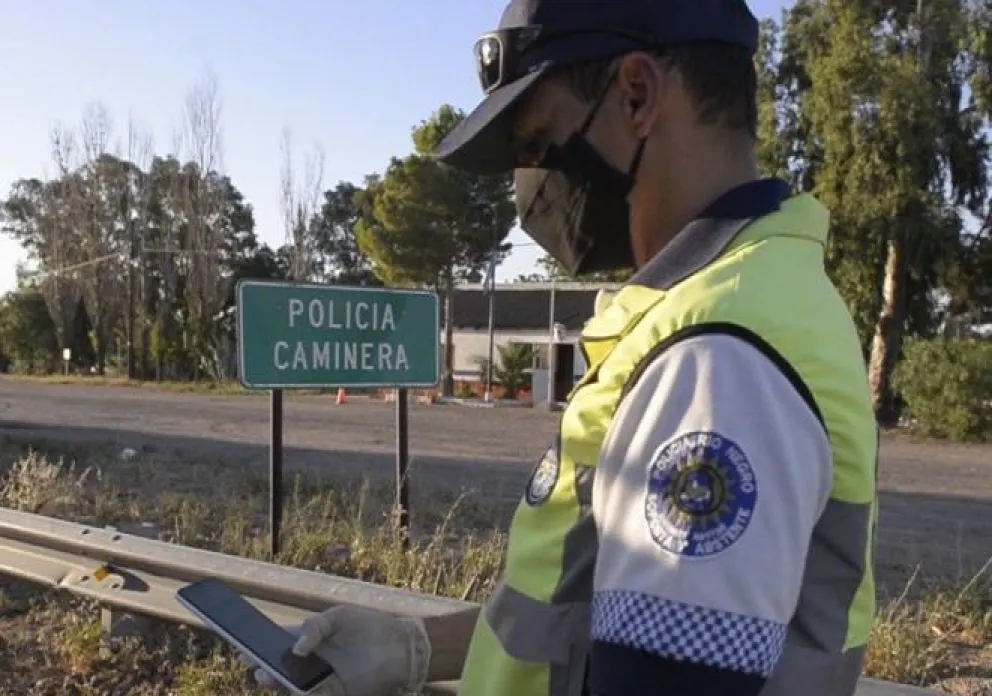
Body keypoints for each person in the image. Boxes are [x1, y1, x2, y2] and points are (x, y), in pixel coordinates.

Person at [245, 0, 879, 694]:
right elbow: (601, 621)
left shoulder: (716, 361)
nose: (534, 188)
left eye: (542, 143)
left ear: (637, 95)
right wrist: (415, 647)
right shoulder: (734, 304)